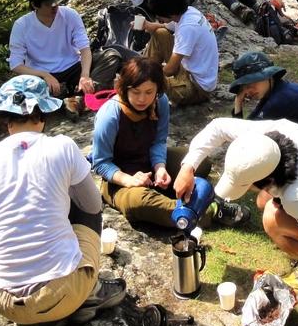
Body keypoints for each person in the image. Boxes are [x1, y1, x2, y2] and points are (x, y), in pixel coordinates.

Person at [0, 76, 126, 326]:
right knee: (82, 208)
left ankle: (36, 318)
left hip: (2, 299)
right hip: (60, 294)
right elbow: (92, 205)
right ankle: (90, 292)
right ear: (43, 116)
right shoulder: (62, 147)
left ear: (6, 122)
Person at [174, 119, 298, 290]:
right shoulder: (266, 138)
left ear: (269, 181)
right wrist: (188, 166)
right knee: (265, 202)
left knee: (272, 219)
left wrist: (291, 212)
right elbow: (218, 127)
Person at [90, 57, 246, 227]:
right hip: (119, 178)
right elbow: (101, 162)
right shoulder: (110, 115)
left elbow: (159, 140)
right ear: (125, 89)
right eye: (136, 92)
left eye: (149, 92)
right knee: (138, 202)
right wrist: (129, 180)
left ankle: (186, 201)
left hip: (147, 161)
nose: (142, 99)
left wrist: (160, 167)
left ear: (157, 90)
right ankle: (209, 211)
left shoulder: (160, 102)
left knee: (200, 163)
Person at [8, 0, 109, 105]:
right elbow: (16, 65)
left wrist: (84, 75)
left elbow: (84, 48)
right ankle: (80, 95)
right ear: (35, 5)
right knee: (19, 91)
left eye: (56, 1)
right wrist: (44, 74)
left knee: (110, 56)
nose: (55, 6)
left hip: (73, 67)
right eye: (49, 4)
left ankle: (75, 97)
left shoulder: (69, 14)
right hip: (42, 76)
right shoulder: (21, 26)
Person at [142, 0, 219, 106]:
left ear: (170, 14)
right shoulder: (189, 12)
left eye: (159, 16)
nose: (158, 18)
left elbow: (170, 69)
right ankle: (144, 68)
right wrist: (148, 25)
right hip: (188, 70)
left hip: (197, 86)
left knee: (146, 85)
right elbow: (166, 26)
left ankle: (143, 75)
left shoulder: (187, 28)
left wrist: (147, 79)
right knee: (160, 33)